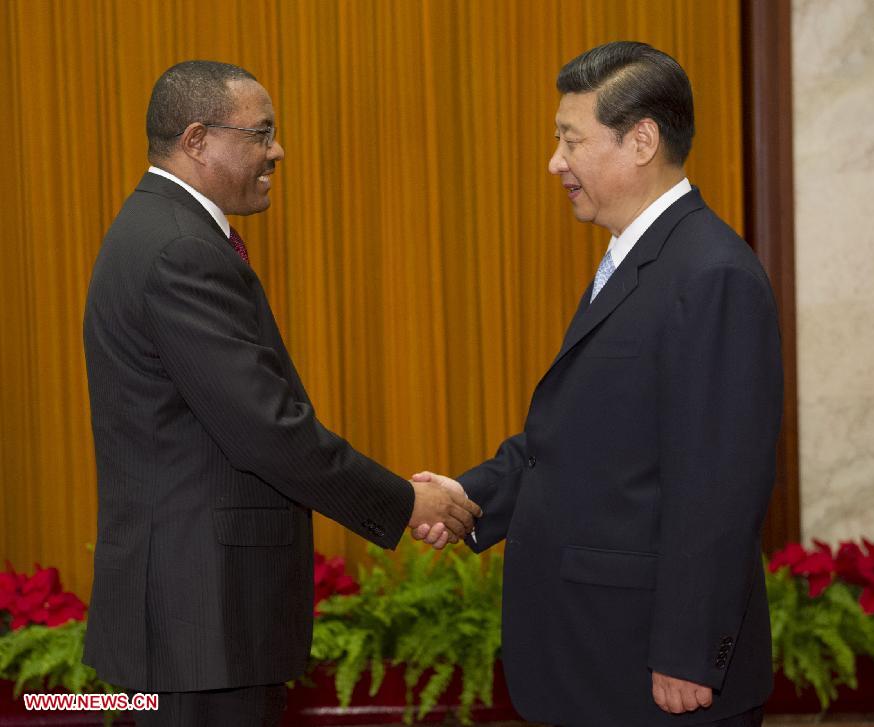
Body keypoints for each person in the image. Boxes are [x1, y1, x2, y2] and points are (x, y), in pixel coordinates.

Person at [82, 60, 480, 727]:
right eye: (261, 133)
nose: (277, 150)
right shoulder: (180, 249)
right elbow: (267, 428)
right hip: (202, 622)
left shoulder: (160, 230)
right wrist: (407, 501)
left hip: (197, 621)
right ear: (198, 140)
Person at [413, 42, 783, 726]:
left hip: (657, 674)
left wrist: (687, 650)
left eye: (570, 139)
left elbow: (721, 485)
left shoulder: (711, 275)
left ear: (641, 140)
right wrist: (468, 497)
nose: (556, 161)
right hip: (598, 661)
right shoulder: (636, 261)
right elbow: (579, 441)